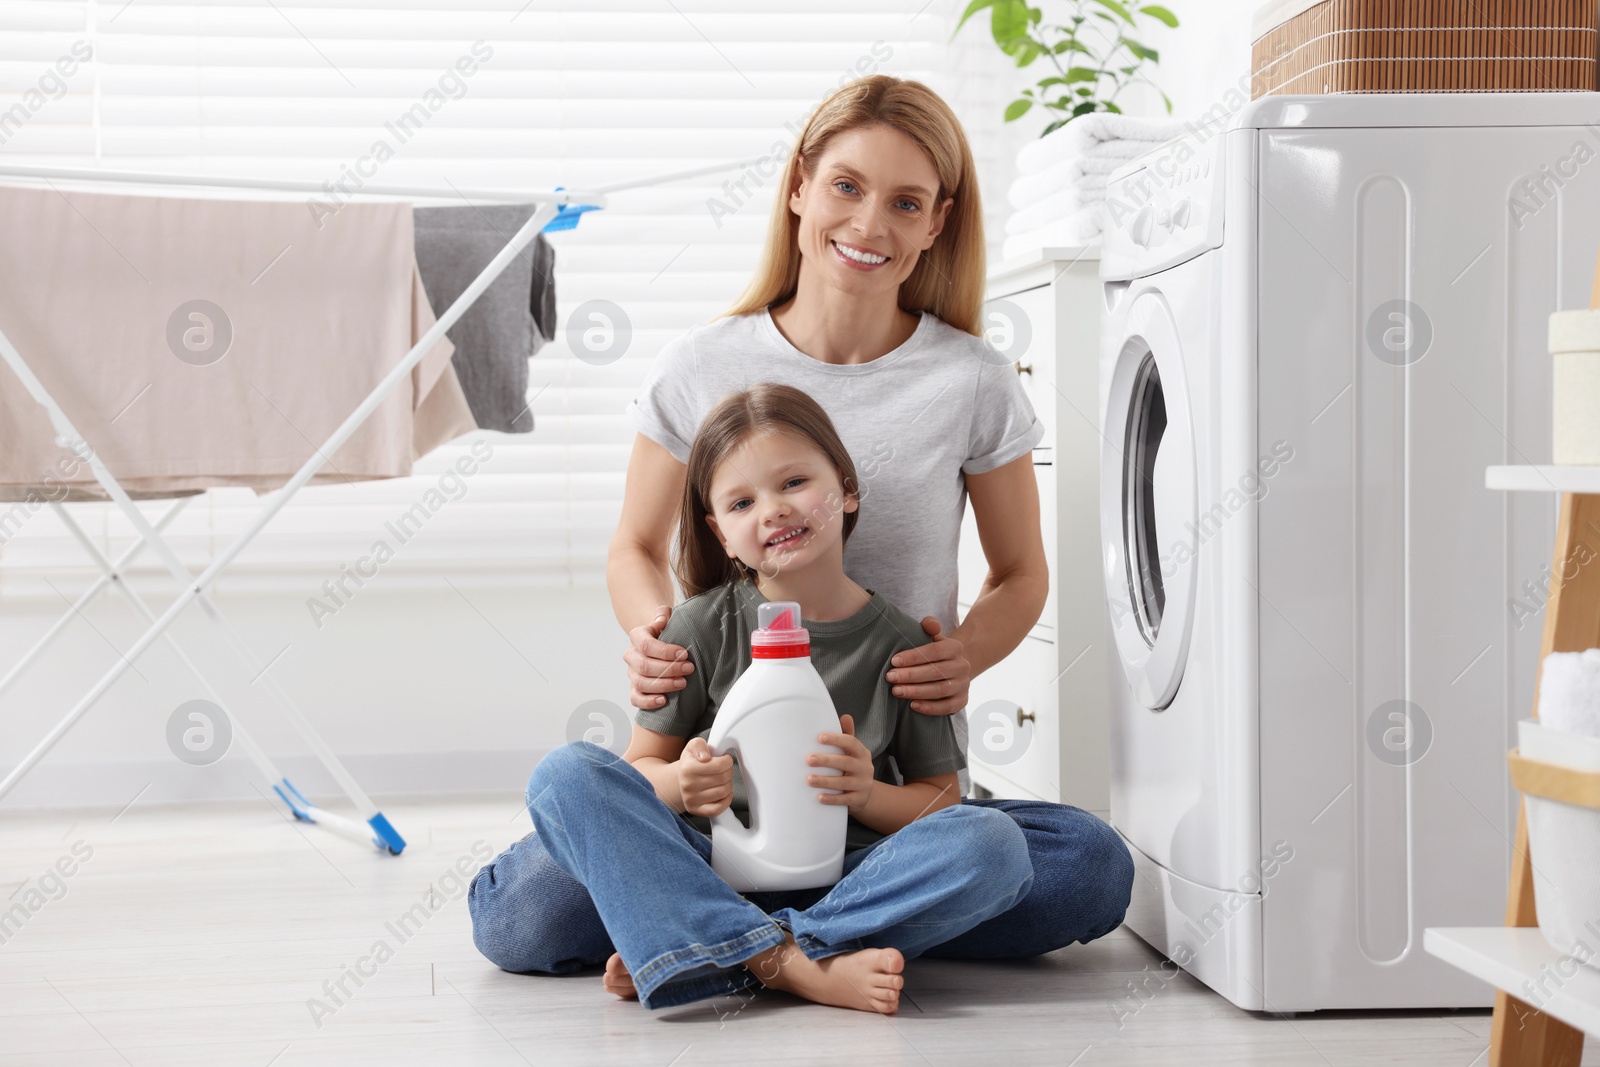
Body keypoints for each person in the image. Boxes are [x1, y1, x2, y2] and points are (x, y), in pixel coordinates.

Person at [470, 72, 1131, 983]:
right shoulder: (700, 363)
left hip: (882, 805)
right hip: (719, 807)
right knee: (522, 915)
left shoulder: (972, 378)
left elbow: (1020, 573)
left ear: (937, 222)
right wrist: (651, 634)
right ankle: (795, 935)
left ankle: (714, 937)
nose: (869, 225)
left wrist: (965, 655)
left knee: (1089, 866)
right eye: (847, 187)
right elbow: (633, 546)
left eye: (906, 202)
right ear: (798, 188)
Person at [499, 383, 1034, 1013]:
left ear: (847, 488)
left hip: (845, 866)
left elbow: (941, 803)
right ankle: (790, 963)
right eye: (742, 502)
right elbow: (638, 771)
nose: (773, 511)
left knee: (993, 844)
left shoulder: (904, 648)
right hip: (703, 859)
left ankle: (697, 945)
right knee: (564, 779)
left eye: (794, 483)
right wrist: (680, 784)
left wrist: (867, 793)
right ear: (720, 534)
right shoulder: (700, 629)